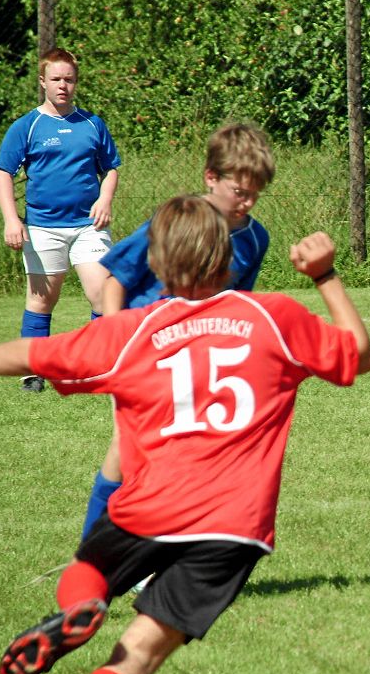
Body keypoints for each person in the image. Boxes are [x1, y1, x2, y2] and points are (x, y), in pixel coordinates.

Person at [0, 194, 370, 674]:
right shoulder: (273, 317)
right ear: (228, 258)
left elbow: (38, 355)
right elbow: (358, 354)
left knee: (88, 571)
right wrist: (326, 276)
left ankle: (76, 612)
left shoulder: (133, 332)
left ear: (159, 266)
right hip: (233, 529)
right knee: (143, 650)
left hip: (150, 507)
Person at [82, 122, 276, 545]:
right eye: (240, 192)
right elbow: (115, 280)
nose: (247, 203)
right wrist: (117, 343)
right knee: (128, 449)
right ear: (211, 177)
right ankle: (95, 549)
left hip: (196, 360)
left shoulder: (255, 238)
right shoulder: (176, 222)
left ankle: (162, 549)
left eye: (256, 194)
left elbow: (236, 308)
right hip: (144, 349)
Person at [0, 47, 121, 393]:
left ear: (76, 82)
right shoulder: (27, 126)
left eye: (69, 79)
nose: (63, 85)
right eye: (56, 79)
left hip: (88, 227)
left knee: (101, 295)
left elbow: (111, 168)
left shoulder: (93, 124)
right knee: (41, 301)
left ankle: (97, 366)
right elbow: (3, 172)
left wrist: (105, 199)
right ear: (43, 82)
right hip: (43, 227)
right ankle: (33, 372)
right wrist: (11, 220)